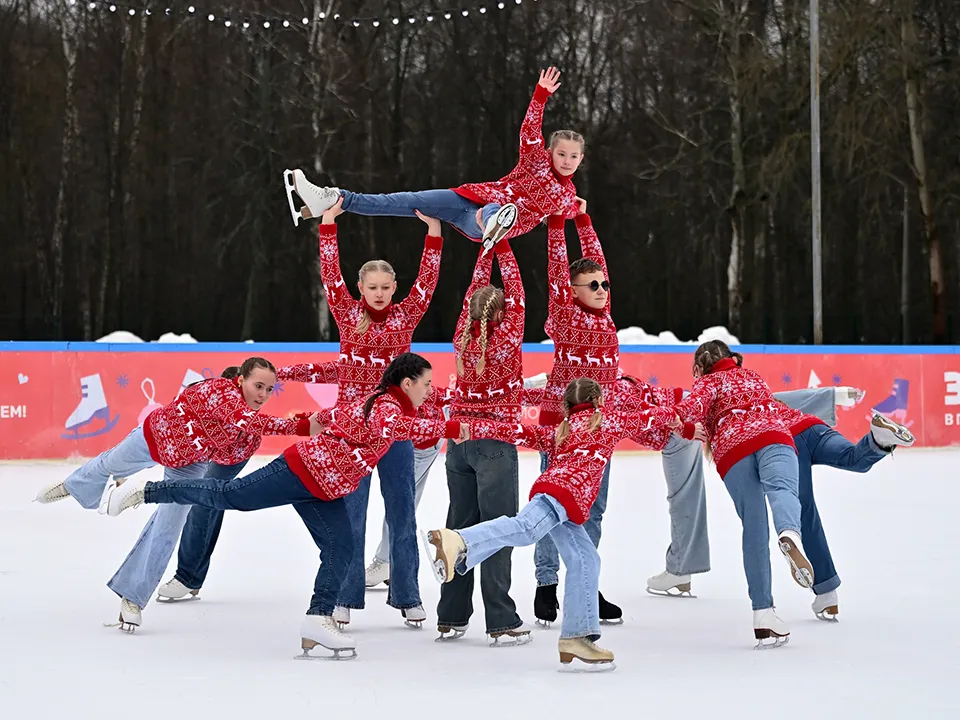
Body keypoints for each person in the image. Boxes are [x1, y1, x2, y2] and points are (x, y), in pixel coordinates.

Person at [102, 353, 466, 659]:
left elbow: (344, 417)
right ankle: (147, 491)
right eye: (425, 384)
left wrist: (479, 413)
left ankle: (318, 619)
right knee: (231, 495)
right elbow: (401, 427)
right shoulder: (386, 407)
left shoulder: (390, 404)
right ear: (407, 383)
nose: (429, 391)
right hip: (299, 470)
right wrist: (452, 430)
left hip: (325, 488)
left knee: (341, 547)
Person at [35, 357, 315, 631]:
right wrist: (302, 426)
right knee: (110, 464)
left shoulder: (249, 431)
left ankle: (132, 596)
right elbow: (244, 418)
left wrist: (239, 441)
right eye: (258, 386)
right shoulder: (219, 391)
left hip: (188, 466)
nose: (263, 394)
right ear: (240, 380)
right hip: (154, 437)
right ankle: (74, 486)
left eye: (269, 389)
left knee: (168, 526)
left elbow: (230, 456)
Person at [424, 378, 679, 671]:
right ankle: (460, 541)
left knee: (585, 560)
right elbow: (654, 416)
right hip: (559, 497)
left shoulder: (560, 430)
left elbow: (514, 431)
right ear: (599, 401)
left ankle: (576, 637)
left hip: (561, 502)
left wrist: (471, 428)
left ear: (566, 406)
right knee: (526, 528)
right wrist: (680, 418)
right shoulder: (609, 422)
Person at [283, 68, 582, 250]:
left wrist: (578, 211)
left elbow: (568, 212)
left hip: (479, 221)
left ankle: (494, 223)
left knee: (494, 211)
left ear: (580, 159)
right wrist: (540, 96)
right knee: (401, 201)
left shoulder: (567, 195)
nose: (566, 161)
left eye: (573, 156)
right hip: (468, 197)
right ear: (550, 152)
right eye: (561, 154)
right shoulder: (536, 162)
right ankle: (331, 198)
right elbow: (529, 131)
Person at [674, 340, 814, 648]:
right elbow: (779, 407)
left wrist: (683, 427)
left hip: (732, 451)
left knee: (754, 527)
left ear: (700, 367)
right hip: (772, 435)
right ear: (731, 358)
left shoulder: (707, 383)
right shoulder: (752, 376)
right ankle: (789, 532)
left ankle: (763, 613)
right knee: (782, 489)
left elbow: (686, 411)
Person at [431, 236, 532, 645]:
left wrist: (486, 246)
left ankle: (451, 615)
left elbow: (475, 289)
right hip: (495, 444)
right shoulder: (506, 340)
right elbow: (518, 291)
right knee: (498, 531)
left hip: (458, 445)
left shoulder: (462, 336)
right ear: (503, 314)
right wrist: (502, 244)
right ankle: (501, 618)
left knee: (459, 528)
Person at [532, 205, 622, 624]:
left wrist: (584, 221)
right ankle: (546, 583)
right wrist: (556, 223)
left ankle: (586, 581)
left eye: (604, 284)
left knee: (594, 510)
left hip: (599, 430)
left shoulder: (607, 315)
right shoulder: (565, 315)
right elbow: (556, 268)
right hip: (562, 427)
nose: (602, 289)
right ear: (571, 292)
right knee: (553, 507)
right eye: (593, 285)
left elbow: (596, 259)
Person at [780, 401, 915, 621]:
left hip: (784, 442)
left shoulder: (732, 404)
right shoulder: (761, 390)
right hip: (812, 426)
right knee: (853, 457)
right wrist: (835, 395)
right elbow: (801, 396)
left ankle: (827, 593)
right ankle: (878, 439)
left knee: (804, 512)